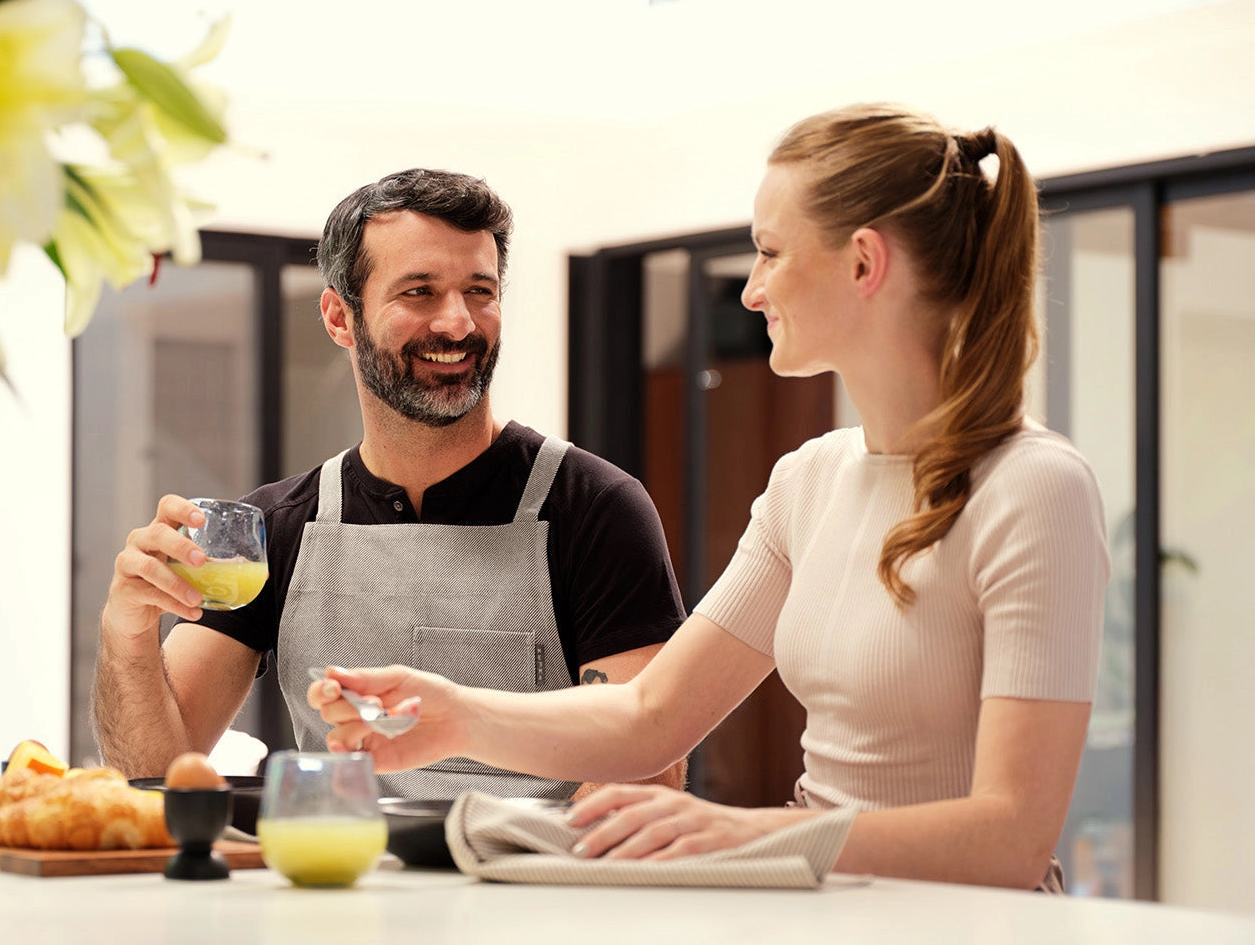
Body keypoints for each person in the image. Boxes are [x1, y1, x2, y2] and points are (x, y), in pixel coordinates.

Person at [311, 105, 1111, 891]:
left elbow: (1010, 837)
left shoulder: (1033, 488)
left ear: (864, 263)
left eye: (769, 252)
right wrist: (453, 713)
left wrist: (750, 832)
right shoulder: (808, 481)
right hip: (832, 922)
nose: (752, 290)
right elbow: (650, 714)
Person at [92, 168, 687, 800]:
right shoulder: (280, 526)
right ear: (339, 317)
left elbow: (645, 773)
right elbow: (155, 777)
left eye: (479, 291)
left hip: (526, 886)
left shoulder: (594, 509)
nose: (458, 324)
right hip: (334, 880)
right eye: (420, 292)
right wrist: (125, 632)